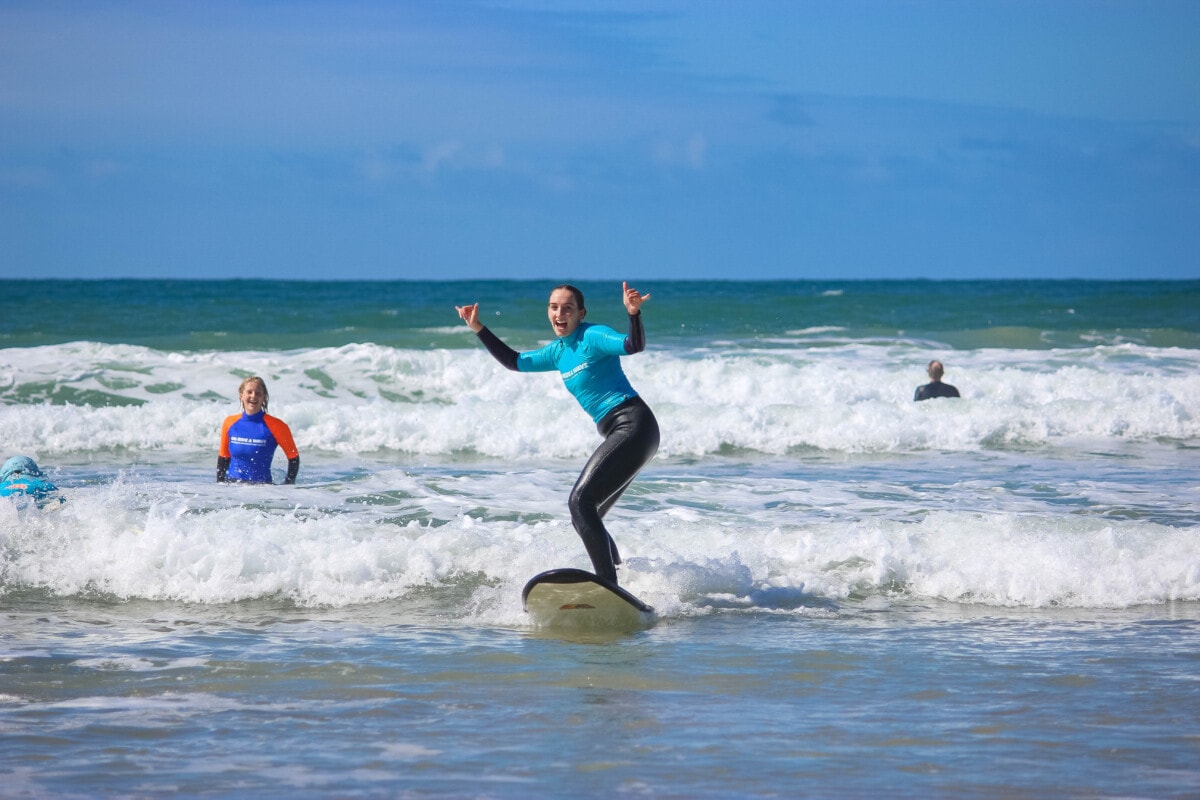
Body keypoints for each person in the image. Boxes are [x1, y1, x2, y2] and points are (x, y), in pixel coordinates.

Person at [456, 282, 659, 585]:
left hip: (633, 424)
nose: (559, 313)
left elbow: (633, 345)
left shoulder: (593, 336)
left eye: (567, 308)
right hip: (626, 431)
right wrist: (478, 327)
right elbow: (515, 361)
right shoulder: (558, 352)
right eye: (554, 307)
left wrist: (633, 314)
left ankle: (607, 584)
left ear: (581, 313)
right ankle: (621, 579)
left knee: (579, 503)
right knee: (589, 516)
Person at [217, 376, 300, 484]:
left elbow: (293, 457)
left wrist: (289, 484)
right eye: (249, 392)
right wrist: (219, 487)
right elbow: (223, 458)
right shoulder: (229, 423)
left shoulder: (277, 426)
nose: (253, 396)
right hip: (232, 486)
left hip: (262, 489)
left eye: (258, 393)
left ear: (264, 397)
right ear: (241, 395)